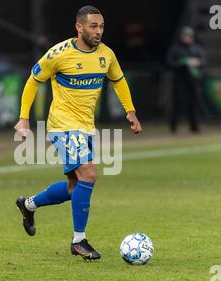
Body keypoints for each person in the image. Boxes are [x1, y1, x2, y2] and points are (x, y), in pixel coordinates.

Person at [14, 5, 142, 260]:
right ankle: (78, 241)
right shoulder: (58, 54)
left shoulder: (106, 55)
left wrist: (130, 111)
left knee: (75, 187)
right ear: (79, 27)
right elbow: (33, 81)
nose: (98, 31)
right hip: (63, 125)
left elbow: (118, 80)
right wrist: (23, 119)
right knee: (90, 174)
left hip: (85, 127)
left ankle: (28, 204)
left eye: (101, 26)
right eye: (93, 26)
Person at [167, 26, 206, 134]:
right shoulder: (176, 48)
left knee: (194, 103)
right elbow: (170, 62)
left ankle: (194, 126)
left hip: (193, 80)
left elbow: (203, 61)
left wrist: (196, 62)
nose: (186, 38)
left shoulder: (197, 48)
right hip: (179, 80)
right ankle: (173, 126)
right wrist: (182, 63)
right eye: (185, 36)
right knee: (177, 103)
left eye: (188, 36)